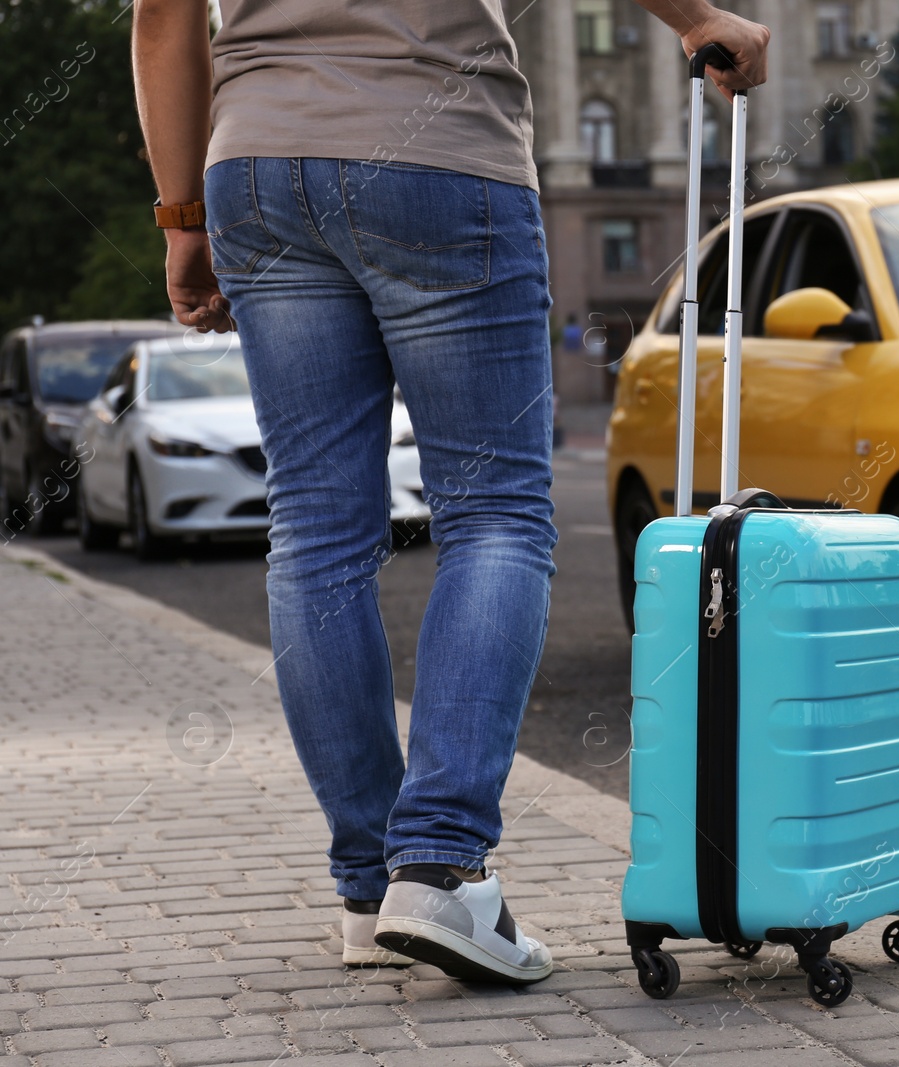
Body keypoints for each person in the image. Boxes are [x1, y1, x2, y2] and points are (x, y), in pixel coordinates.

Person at [130, 0, 768, 983]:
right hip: (438, 150)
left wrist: (180, 215)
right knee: (496, 514)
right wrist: (697, 21)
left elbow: (163, 14)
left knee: (313, 529)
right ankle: (436, 863)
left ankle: (365, 885)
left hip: (256, 163)